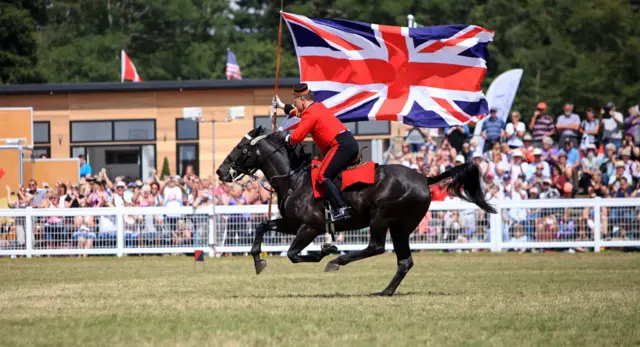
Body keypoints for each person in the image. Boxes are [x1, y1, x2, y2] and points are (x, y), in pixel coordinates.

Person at [273, 83, 359, 221]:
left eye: (295, 100)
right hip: (346, 143)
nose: (294, 103)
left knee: (322, 176)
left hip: (340, 145)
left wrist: (282, 137)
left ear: (302, 99)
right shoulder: (317, 107)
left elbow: (297, 137)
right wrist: (282, 106)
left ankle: (341, 208)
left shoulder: (310, 112)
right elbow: (297, 113)